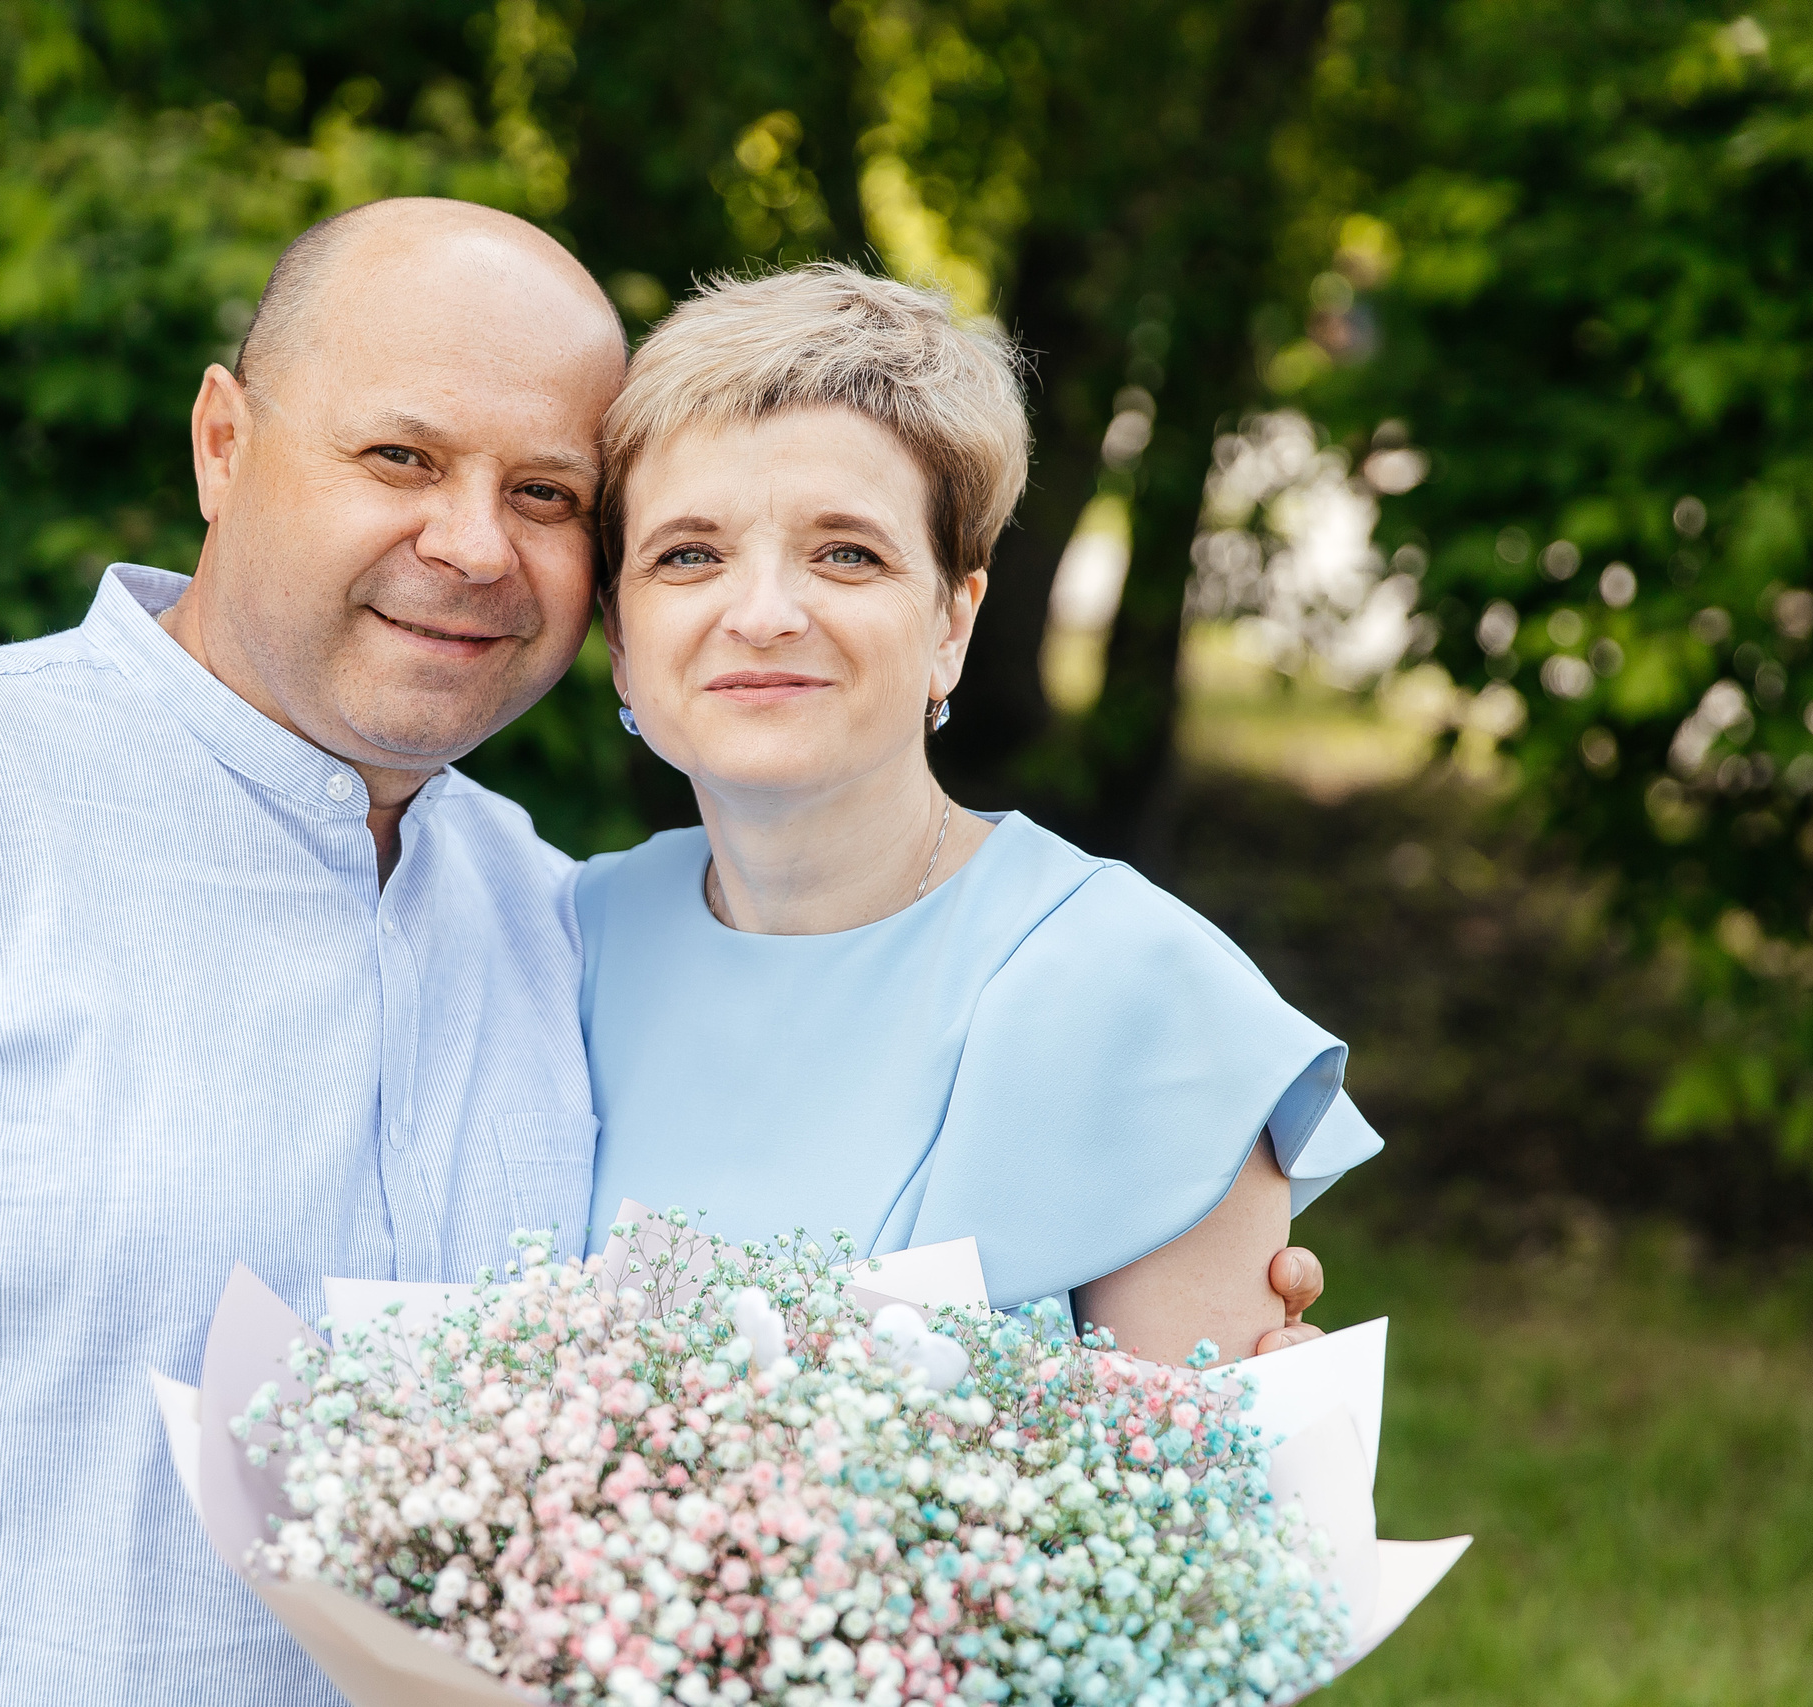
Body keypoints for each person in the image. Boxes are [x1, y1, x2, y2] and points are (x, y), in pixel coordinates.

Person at [0, 205, 1329, 1705]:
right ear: (222, 442)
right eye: (400, 456)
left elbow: (1185, 1591)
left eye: (543, 495)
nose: (470, 544)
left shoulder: (526, 903)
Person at [580, 263, 1381, 1364]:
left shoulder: (1137, 994)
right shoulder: (561, 945)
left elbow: (1208, 1516)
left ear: (953, 622)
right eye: (689, 555)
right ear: (621, 636)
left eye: (845, 553)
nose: (761, 614)